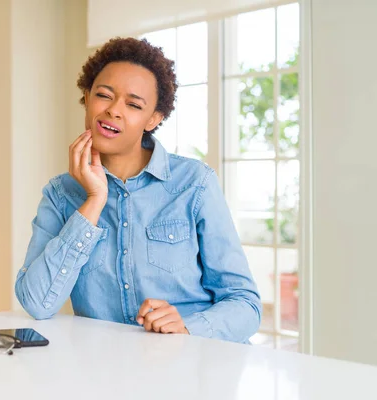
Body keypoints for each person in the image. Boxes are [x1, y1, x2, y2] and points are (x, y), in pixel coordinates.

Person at [15, 37, 261, 343]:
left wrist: (188, 327)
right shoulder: (60, 195)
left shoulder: (194, 183)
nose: (114, 111)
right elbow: (37, 304)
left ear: (154, 118)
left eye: (133, 104)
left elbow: (246, 304)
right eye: (104, 95)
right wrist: (93, 202)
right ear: (87, 97)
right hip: (109, 374)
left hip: (193, 369)